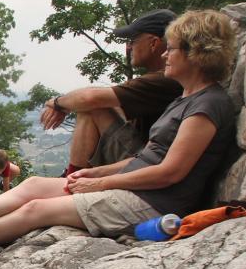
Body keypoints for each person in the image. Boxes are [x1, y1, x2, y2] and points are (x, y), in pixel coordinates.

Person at [0, 9, 236, 255]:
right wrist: (96, 171)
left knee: (36, 210)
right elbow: (146, 158)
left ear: (196, 54)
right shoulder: (184, 98)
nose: (167, 55)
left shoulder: (207, 105)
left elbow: (170, 172)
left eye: (173, 48)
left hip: (153, 203)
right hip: (135, 187)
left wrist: (99, 184)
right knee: (34, 185)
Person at [41, 9, 183, 176]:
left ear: (153, 43)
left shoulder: (164, 81)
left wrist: (57, 103)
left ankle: (71, 179)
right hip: (148, 156)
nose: (128, 46)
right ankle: (72, 176)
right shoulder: (163, 79)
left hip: (145, 161)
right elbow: (105, 101)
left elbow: (90, 98)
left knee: (92, 106)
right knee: (96, 104)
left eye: (133, 40)